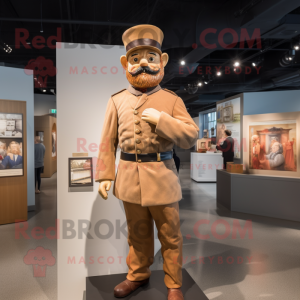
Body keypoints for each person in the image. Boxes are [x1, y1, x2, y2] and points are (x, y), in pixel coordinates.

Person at [96, 24, 199, 300]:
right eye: (136, 58)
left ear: (162, 61)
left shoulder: (172, 100)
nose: (143, 63)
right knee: (137, 234)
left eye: (151, 57)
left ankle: (174, 283)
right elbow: (108, 141)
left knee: (170, 236)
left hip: (162, 176)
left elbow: (190, 136)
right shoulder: (116, 101)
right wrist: (105, 175)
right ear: (125, 63)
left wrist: (163, 121)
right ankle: (137, 275)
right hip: (129, 176)